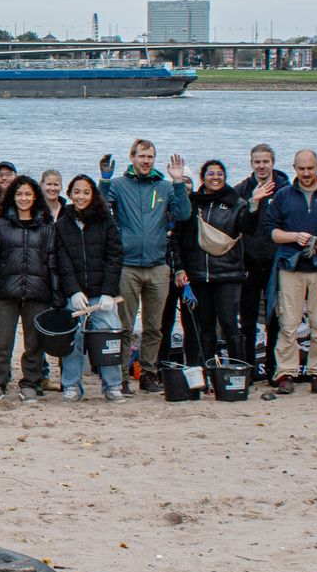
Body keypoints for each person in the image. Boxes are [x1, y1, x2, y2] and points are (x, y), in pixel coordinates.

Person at [103, 141, 190, 389]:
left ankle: (148, 373)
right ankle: (121, 376)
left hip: (157, 265)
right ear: (132, 157)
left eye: (150, 157)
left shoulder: (164, 186)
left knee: (155, 327)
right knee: (125, 326)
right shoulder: (119, 185)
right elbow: (100, 209)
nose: (146, 161)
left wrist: (178, 182)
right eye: (141, 156)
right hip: (128, 265)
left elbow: (183, 214)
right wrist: (105, 181)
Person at [265, 149, 317, 394]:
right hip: (290, 266)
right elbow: (271, 231)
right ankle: (285, 373)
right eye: (301, 168)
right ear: (294, 168)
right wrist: (294, 237)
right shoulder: (283, 196)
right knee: (288, 322)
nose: (306, 173)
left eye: (310, 168)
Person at [0, 174, 58, 399]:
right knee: (1, 342)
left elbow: (53, 262)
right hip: (6, 293)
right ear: (13, 197)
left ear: (35, 197)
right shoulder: (1, 226)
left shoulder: (46, 226)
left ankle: (31, 383)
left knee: (34, 343)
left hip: (38, 292)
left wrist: (56, 294)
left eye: (28, 194)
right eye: (19, 194)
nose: (24, 198)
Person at [53, 175, 124, 402]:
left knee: (108, 338)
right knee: (73, 341)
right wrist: (73, 291)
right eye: (77, 192)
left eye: (86, 192)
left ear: (93, 194)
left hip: (102, 295)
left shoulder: (106, 221)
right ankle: (71, 385)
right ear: (70, 194)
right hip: (76, 296)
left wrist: (108, 292)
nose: (81, 196)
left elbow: (114, 256)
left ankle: (113, 385)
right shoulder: (62, 224)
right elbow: (62, 261)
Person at [171, 159, 247, 367]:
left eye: (220, 173)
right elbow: (177, 238)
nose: (215, 177)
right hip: (198, 276)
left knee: (229, 324)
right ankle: (207, 370)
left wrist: (255, 206)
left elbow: (248, 227)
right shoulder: (192, 204)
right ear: (202, 177)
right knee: (204, 327)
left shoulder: (237, 203)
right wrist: (180, 268)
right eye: (211, 174)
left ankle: (239, 370)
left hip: (228, 274)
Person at [235, 144, 288, 381]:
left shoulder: (285, 190)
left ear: (273, 162)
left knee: (275, 319)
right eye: (257, 162)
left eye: (265, 161)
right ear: (251, 163)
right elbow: (236, 223)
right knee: (247, 321)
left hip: (277, 263)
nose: (262, 166)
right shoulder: (242, 189)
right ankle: (247, 367)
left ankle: (273, 368)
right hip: (249, 263)